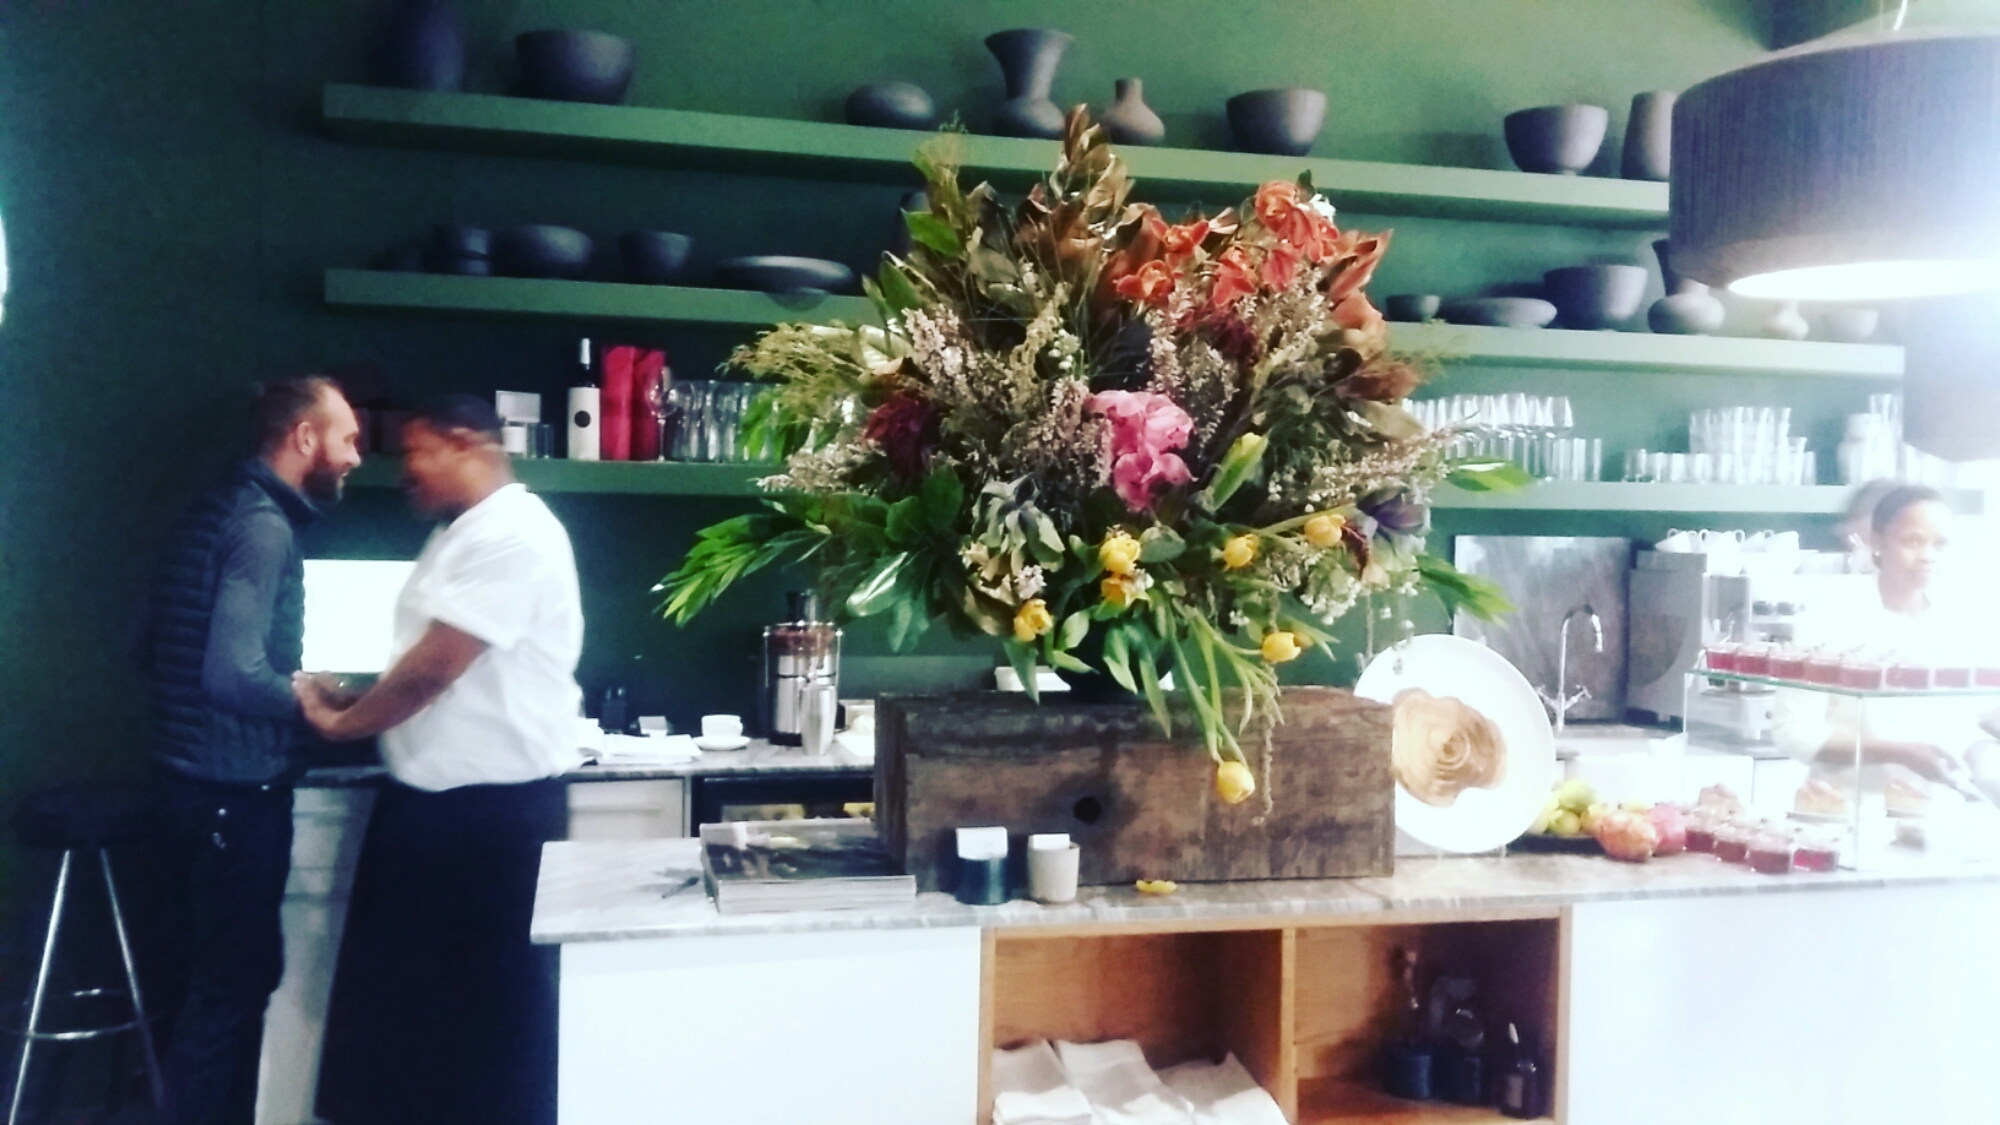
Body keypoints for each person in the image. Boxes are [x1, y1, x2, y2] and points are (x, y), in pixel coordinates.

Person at [301, 395, 583, 1125]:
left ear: (465, 444)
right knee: (415, 1036)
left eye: (417, 452)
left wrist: (340, 724)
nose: (405, 471)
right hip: (439, 818)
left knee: (485, 1036)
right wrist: (358, 686)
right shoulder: (464, 530)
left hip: (487, 828)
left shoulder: (515, 534)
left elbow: (434, 670)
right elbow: (419, 662)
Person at [142, 376, 362, 1125]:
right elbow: (231, 672)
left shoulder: (217, 505)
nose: (356, 456)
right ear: (305, 437)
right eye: (347, 438)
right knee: (231, 993)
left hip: (181, 784)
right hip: (231, 794)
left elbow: (152, 646)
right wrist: (314, 699)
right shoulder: (265, 525)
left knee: (205, 992)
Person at [1777, 485, 1988, 791]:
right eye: (1913, 541)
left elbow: (1968, 722)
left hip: (1938, 811)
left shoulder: (1957, 618)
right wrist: (1901, 753)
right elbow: (1794, 731)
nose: (1928, 556)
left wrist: (1985, 766)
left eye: (1939, 544)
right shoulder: (1831, 613)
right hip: (1843, 811)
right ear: (1877, 541)